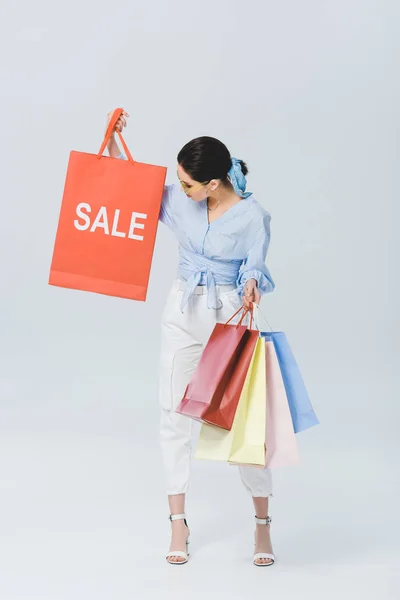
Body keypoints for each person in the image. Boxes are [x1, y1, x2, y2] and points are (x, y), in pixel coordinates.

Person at [106, 109, 276, 567]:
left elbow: (255, 264)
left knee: (244, 422)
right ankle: (177, 521)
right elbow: (133, 186)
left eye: (187, 184)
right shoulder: (181, 200)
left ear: (214, 184)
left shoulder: (251, 216)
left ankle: (262, 525)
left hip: (231, 317)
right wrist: (117, 139)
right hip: (182, 310)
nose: (179, 191)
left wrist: (251, 284)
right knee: (173, 413)